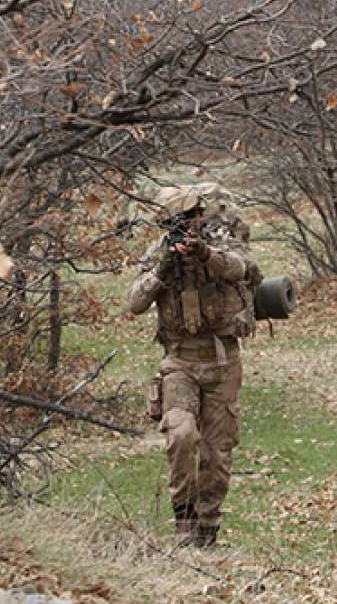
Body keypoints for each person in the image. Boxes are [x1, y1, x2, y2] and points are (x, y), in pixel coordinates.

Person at [127, 183, 262, 547]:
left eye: (187, 219)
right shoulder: (159, 253)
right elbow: (134, 303)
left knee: (217, 453)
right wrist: (162, 270)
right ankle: (183, 522)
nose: (183, 228)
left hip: (221, 359)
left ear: (199, 215)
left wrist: (204, 254)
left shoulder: (221, 240)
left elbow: (241, 268)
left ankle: (207, 530)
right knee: (182, 435)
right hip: (179, 360)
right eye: (174, 223)